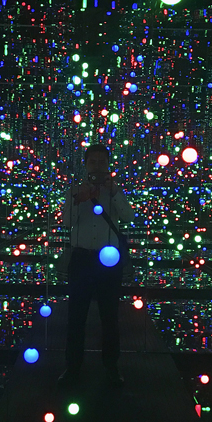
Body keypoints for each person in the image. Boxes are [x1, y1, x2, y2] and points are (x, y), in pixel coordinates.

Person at [58, 144, 134, 388]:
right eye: (93, 162)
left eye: (102, 162)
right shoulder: (74, 190)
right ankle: (72, 367)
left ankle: (111, 367)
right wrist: (77, 200)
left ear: (108, 165)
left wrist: (115, 193)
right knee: (76, 316)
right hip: (81, 259)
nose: (97, 167)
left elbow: (129, 217)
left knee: (109, 316)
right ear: (86, 165)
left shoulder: (115, 191)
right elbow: (66, 222)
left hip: (108, 260)